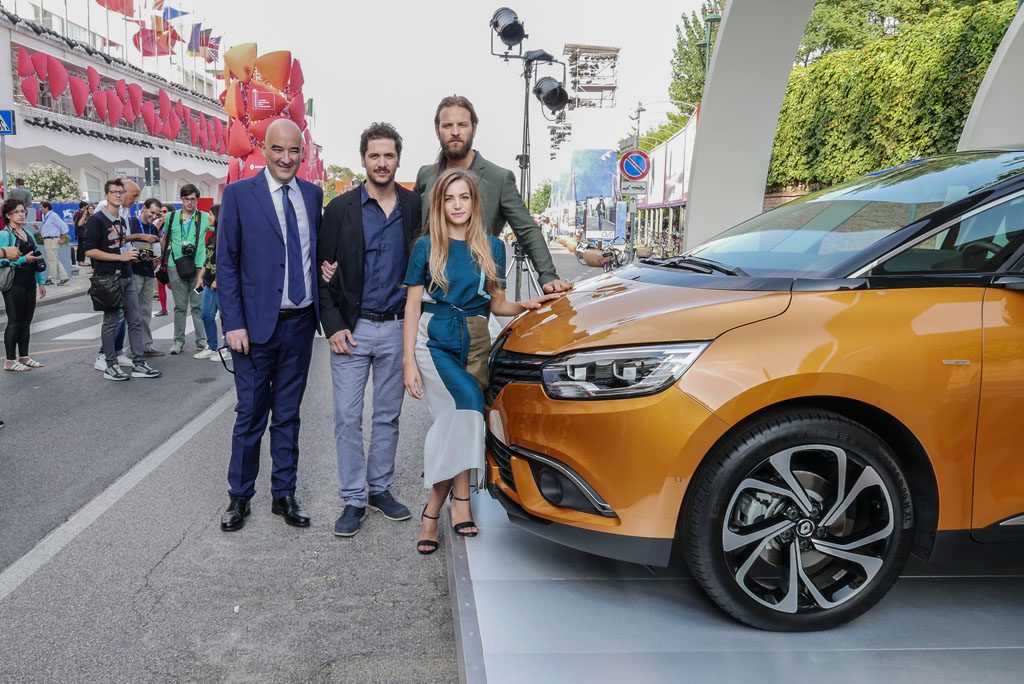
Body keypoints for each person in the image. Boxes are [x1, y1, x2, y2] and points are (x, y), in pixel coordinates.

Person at [402, 169, 564, 554]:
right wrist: (407, 361)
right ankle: (440, 509)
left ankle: (452, 504)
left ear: (475, 203)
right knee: (468, 407)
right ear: (439, 204)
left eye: (464, 197)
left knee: (463, 421)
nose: (457, 205)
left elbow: (498, 305)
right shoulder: (426, 246)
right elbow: (411, 306)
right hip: (435, 341)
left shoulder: (493, 246)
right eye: (449, 198)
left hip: (475, 341)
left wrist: (526, 305)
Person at [217, 119, 323, 532]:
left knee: (289, 415)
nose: (286, 158)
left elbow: (315, 253)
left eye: (294, 150)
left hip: (300, 324)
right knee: (250, 415)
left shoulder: (312, 196)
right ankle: (239, 497)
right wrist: (233, 323)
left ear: (303, 153)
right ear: (264, 149)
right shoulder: (240, 195)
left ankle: (284, 494)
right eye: (278, 149)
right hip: (254, 329)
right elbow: (227, 263)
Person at [318, 122, 421, 537]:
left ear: (398, 159)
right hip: (352, 329)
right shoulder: (339, 209)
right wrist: (333, 326)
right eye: (374, 155)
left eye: (388, 155)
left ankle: (379, 489)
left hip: (397, 328)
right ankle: (353, 498)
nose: (382, 163)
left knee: (387, 416)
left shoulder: (413, 207)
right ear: (363, 159)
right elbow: (320, 273)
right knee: (347, 417)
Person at [414, 95, 572, 295]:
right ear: (438, 130)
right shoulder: (425, 175)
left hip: (472, 296)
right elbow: (413, 230)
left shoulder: (499, 178)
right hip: (423, 291)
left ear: (474, 128)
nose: (455, 132)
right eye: (447, 126)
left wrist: (548, 275)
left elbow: (527, 230)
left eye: (462, 125)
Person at [81, 179, 162, 381]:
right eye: (114, 192)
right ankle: (110, 364)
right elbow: (89, 250)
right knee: (111, 322)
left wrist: (133, 252)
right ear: (106, 195)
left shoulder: (122, 218)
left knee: (134, 320)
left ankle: (139, 363)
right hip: (108, 277)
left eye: (120, 192)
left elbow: (121, 243)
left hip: (127, 274)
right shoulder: (97, 219)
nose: (118, 195)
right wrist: (120, 257)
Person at [163, 184, 210, 356]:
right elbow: (165, 237)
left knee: (198, 305)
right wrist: (165, 252)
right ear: (181, 199)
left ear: (197, 200)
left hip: (199, 268)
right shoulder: (171, 217)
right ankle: (178, 341)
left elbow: (220, 230)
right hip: (175, 266)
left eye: (193, 199)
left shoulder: (204, 217)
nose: (190, 203)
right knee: (180, 306)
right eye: (186, 199)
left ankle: (201, 340)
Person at [1, 199, 47, 372]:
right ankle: (9, 361)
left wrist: (41, 281)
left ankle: (24, 356)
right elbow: (2, 261)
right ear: (8, 215)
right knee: (14, 321)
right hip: (14, 281)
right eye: (17, 212)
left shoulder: (28, 233)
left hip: (29, 281)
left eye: (23, 211)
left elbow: (36, 258)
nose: (21, 215)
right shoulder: (5, 235)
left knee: (27, 321)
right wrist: (22, 259)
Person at [132, 198, 164, 356]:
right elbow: (123, 242)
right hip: (133, 271)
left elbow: (156, 250)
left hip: (148, 272)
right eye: (152, 212)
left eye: (156, 214)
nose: (153, 216)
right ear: (144, 208)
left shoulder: (153, 228)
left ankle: (146, 345)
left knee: (145, 311)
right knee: (132, 311)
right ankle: (129, 348)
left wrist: (156, 257)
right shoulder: (132, 222)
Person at [195, 204, 222, 361]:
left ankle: (228, 348)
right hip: (208, 283)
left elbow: (228, 260)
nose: (208, 217)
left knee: (226, 317)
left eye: (210, 214)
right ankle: (212, 347)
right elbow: (209, 258)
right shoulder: (212, 235)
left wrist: (219, 279)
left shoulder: (225, 235)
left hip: (222, 285)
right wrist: (201, 276)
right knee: (206, 314)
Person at [39, 201, 70, 285]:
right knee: (54, 259)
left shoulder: (53, 215)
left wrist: (63, 239)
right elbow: (49, 229)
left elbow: (64, 227)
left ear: (46, 207)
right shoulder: (47, 216)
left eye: (41, 207)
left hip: (52, 240)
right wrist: (39, 228)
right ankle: (64, 277)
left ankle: (52, 278)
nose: (40, 209)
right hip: (49, 240)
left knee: (52, 260)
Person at [154, 204, 171, 316]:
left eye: (165, 212)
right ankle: (163, 309)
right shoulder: (159, 226)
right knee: (160, 283)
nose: (162, 214)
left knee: (171, 285)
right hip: (161, 258)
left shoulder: (174, 226)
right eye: (161, 212)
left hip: (172, 259)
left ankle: (184, 302)